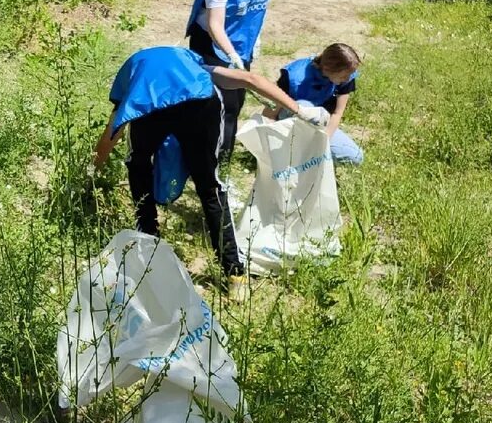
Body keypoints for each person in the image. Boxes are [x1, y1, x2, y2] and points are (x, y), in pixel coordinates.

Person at [93, 46, 326, 297]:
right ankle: (235, 274)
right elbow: (251, 80)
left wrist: (92, 171)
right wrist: (301, 111)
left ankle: (149, 247)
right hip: (201, 105)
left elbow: (115, 126)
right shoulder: (196, 66)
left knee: (138, 165)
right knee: (210, 187)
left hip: (155, 110)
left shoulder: (134, 75)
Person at [185, 0, 277, 161]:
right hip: (214, 46)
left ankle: (217, 165)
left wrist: (251, 44)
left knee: (236, 105)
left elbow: (257, 6)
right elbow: (215, 25)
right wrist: (232, 57)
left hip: (242, 46)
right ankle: (214, 173)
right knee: (222, 110)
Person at [264, 43, 365, 165]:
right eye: (344, 76)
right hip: (290, 122)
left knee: (354, 157)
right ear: (327, 69)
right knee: (305, 106)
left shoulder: (347, 77)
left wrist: (323, 142)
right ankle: (291, 152)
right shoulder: (293, 76)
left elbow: (337, 114)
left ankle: (307, 156)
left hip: (320, 125)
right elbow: (270, 113)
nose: (348, 79)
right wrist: (265, 142)